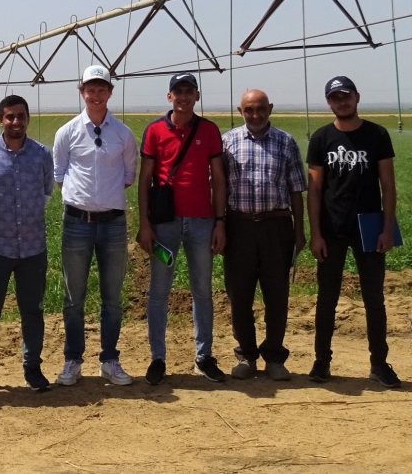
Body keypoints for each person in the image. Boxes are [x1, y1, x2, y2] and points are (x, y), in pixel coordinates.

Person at [307, 75, 401, 388]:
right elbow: (315, 190)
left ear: (357, 97)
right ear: (329, 103)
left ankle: (379, 363)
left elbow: (387, 185)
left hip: (370, 229)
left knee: (374, 299)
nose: (342, 102)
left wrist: (388, 228)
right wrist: (316, 234)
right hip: (332, 230)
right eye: (335, 98)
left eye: (346, 96)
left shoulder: (377, 135)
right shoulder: (321, 139)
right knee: (327, 298)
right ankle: (322, 362)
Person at [137, 72, 227, 385]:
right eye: (178, 92)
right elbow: (145, 179)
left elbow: (218, 178)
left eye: (189, 92)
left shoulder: (209, 131)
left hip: (202, 223)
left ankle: (204, 356)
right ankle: (157, 358)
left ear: (197, 97)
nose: (184, 97)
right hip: (165, 226)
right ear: (169, 97)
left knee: (202, 290)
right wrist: (145, 224)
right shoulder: (155, 131)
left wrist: (220, 222)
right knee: (159, 292)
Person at [52, 66, 138, 387]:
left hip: (113, 225)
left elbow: (129, 176)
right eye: (90, 88)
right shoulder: (68, 132)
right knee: (74, 297)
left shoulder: (123, 135)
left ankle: (110, 360)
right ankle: (72, 360)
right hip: (77, 223)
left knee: (112, 298)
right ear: (81, 91)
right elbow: (59, 175)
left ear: (110, 93)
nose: (96, 94)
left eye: (102, 89)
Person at [0, 95, 54, 393]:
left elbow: (45, 194)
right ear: (0, 119)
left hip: (32, 247)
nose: (15, 121)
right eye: (9, 116)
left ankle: (32, 369)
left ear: (27, 118)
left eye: (20, 116)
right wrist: (0, 217)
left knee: (32, 310)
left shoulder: (42, 154)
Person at [222, 89, 306, 381]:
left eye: (260, 109)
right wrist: (219, 225)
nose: (255, 115)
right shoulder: (228, 142)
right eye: (249, 110)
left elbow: (296, 188)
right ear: (240, 110)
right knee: (239, 295)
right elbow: (218, 189)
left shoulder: (285, 142)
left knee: (276, 295)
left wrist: (299, 229)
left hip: (276, 226)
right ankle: (246, 356)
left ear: (270, 108)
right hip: (239, 226)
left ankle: (274, 357)